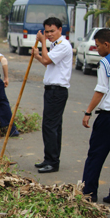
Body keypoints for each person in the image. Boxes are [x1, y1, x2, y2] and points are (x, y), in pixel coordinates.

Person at [32, 17, 72, 173]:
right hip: (51, 90)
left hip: (57, 91)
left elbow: (47, 59)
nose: (49, 34)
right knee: (52, 127)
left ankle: (53, 162)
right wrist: (37, 56)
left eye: (52, 31)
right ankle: (49, 159)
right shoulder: (55, 45)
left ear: (60, 30)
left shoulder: (63, 45)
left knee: (50, 127)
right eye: (46, 32)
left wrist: (42, 42)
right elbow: (47, 62)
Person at [82, 29, 110, 204]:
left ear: (106, 44)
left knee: (96, 155)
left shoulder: (106, 63)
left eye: (98, 45)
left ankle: (89, 193)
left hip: (108, 117)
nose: (96, 49)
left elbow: (101, 90)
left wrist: (88, 112)